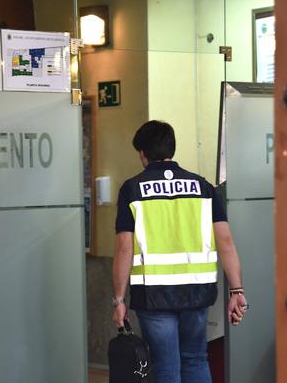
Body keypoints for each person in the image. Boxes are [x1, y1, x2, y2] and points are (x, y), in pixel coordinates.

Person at [112, 120, 248, 383]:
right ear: (171, 149)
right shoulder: (203, 187)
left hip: (153, 293)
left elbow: (124, 248)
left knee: (166, 365)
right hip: (197, 291)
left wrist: (118, 300)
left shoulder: (132, 189)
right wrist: (237, 290)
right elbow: (226, 242)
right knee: (196, 358)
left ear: (143, 153)